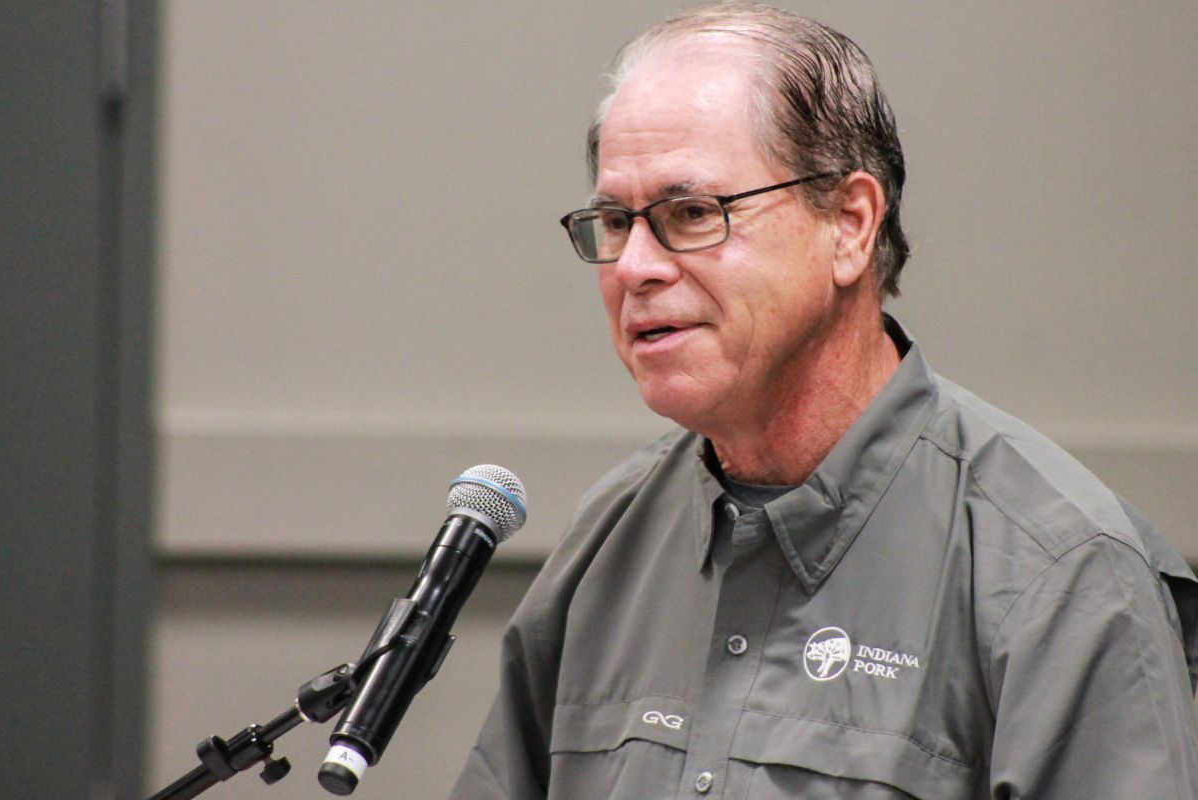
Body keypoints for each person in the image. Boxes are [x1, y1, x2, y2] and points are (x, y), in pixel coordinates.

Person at [450, 3, 1198, 797]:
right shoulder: (609, 541)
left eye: (692, 213)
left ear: (849, 224)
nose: (634, 266)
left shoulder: (1061, 573)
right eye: (614, 220)